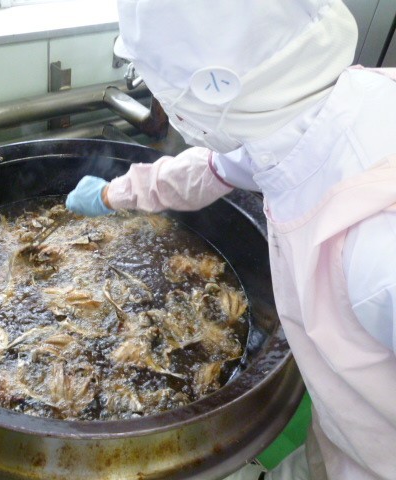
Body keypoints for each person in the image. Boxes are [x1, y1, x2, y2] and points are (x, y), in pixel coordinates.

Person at [65, 1, 396, 479]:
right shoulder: (313, 114)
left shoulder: (378, 251)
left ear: (209, 87)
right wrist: (113, 194)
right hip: (344, 435)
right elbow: (215, 168)